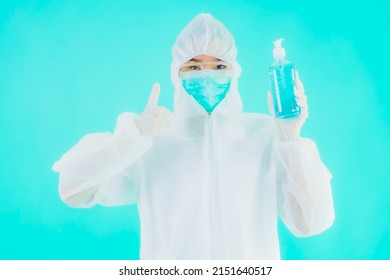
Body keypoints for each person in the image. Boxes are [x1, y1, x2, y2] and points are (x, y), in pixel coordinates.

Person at [52, 13, 334, 260]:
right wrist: (131, 138)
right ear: (177, 73)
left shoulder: (263, 135)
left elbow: (310, 223)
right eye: (194, 66)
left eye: (219, 66)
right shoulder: (152, 140)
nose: (207, 76)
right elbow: (73, 189)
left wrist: (290, 139)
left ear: (235, 72)